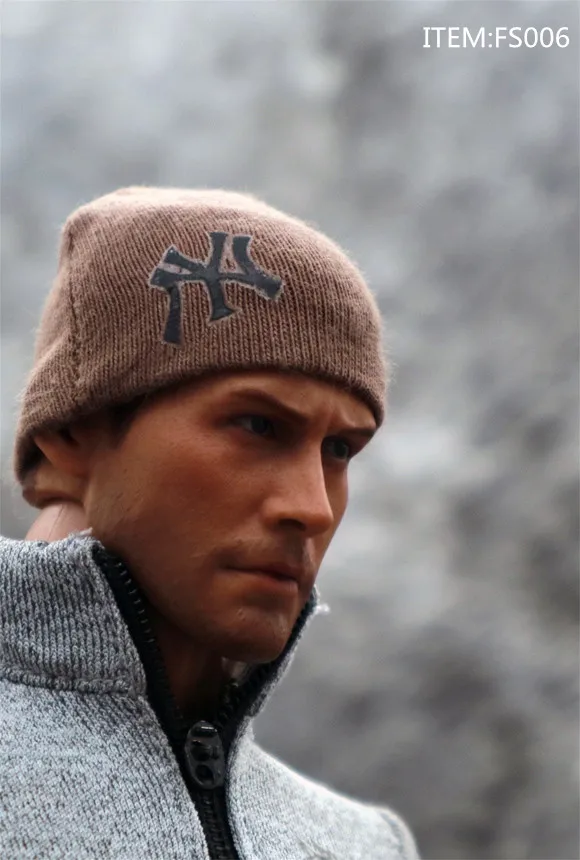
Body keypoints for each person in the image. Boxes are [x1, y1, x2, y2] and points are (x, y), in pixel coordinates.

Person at [0, 187, 419, 859]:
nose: (313, 507)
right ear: (73, 431)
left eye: (340, 450)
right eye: (258, 425)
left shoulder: (364, 845)